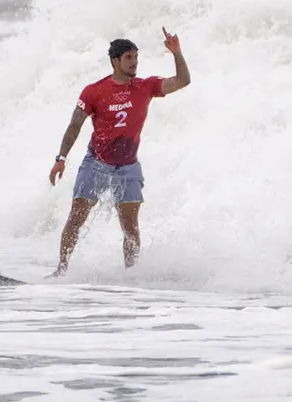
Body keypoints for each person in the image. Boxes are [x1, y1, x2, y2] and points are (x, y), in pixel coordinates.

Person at [47, 28, 190, 276]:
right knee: (77, 217)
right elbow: (74, 126)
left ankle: (130, 276)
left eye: (136, 57)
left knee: (130, 228)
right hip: (96, 163)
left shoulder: (146, 86)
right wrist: (61, 158)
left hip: (128, 167)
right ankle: (61, 271)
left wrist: (176, 53)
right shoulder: (94, 91)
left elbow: (182, 81)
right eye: (128, 58)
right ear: (115, 61)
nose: (134, 63)